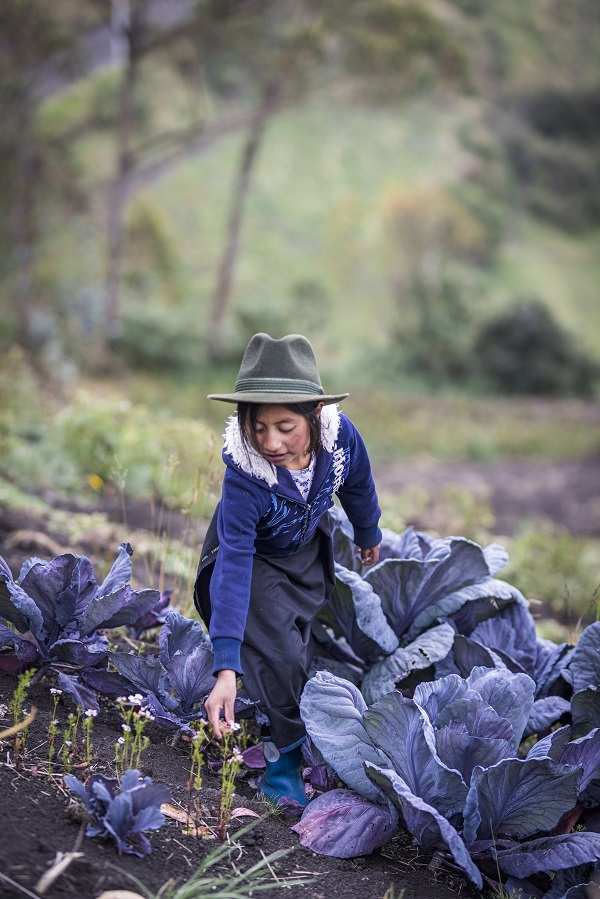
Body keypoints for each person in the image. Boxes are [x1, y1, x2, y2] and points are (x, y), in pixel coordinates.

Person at [193, 332, 382, 807]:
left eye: (284, 426)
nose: (270, 441)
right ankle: (284, 761)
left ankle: (275, 698)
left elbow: (358, 485)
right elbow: (234, 562)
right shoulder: (245, 477)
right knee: (275, 651)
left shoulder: (341, 440)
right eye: (259, 427)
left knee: (295, 639)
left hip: (304, 551)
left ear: (315, 415)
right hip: (251, 562)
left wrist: (368, 533)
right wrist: (225, 668)